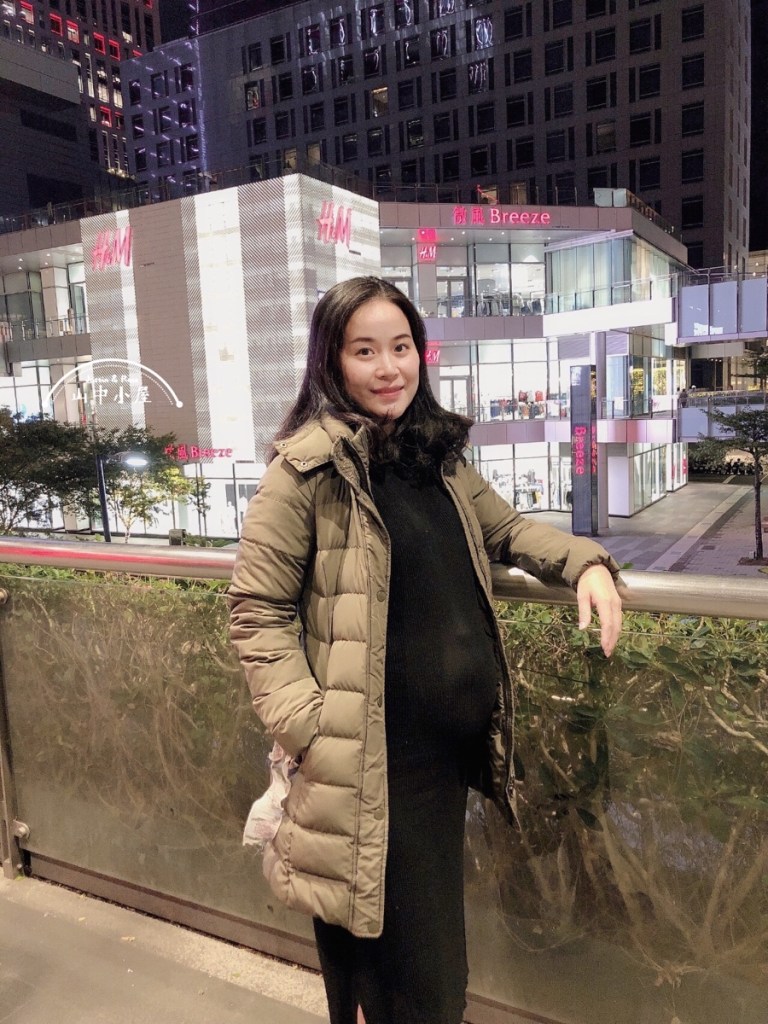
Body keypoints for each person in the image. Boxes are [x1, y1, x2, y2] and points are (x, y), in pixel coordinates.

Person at [228, 277, 622, 1024]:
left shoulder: (436, 458)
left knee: (411, 961)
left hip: (439, 763)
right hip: (370, 760)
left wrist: (586, 564)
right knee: (410, 975)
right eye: (365, 351)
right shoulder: (306, 471)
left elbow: (509, 531)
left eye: (401, 347)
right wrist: (309, 727)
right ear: (331, 362)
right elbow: (257, 609)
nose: (389, 368)